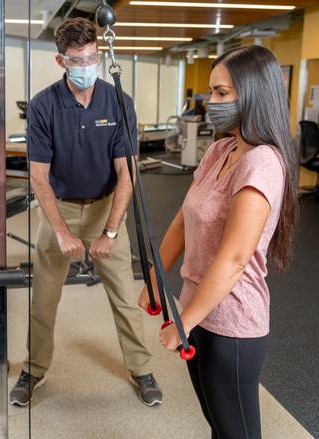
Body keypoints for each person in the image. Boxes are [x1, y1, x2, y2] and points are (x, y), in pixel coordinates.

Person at [138, 45, 298, 438]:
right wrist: (156, 281)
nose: (212, 102)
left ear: (254, 93)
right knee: (218, 427)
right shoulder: (220, 149)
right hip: (198, 310)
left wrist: (183, 323)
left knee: (236, 432)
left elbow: (234, 258)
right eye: (212, 92)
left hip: (233, 326)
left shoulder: (261, 162)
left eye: (223, 93)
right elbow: (181, 222)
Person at [10, 17, 162, 408]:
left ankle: (141, 368)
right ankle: (35, 369)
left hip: (107, 208)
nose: (86, 66)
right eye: (77, 60)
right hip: (59, 209)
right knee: (43, 298)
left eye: (92, 57)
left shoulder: (118, 101)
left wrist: (110, 233)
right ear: (61, 61)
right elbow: (39, 179)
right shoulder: (44, 106)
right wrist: (61, 232)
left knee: (124, 298)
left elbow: (126, 173)